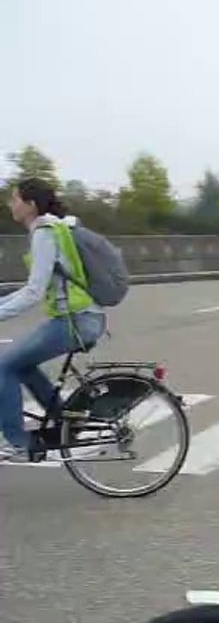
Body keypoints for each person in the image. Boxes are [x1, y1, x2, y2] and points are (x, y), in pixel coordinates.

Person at [0, 178, 106, 462]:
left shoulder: (45, 232)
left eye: (15, 199)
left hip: (75, 321)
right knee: (20, 364)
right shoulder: (55, 228)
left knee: (3, 366)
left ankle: (17, 443)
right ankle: (66, 419)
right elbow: (32, 288)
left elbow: (34, 292)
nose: (10, 204)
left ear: (30, 205)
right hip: (82, 318)